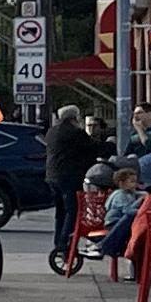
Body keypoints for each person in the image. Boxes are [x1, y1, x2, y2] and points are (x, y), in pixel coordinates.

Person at [42, 110, 100, 260]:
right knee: (72, 210)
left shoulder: (52, 131)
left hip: (52, 176)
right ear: (74, 118)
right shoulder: (75, 132)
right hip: (69, 176)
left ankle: (58, 243)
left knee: (60, 211)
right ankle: (65, 243)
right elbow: (92, 147)